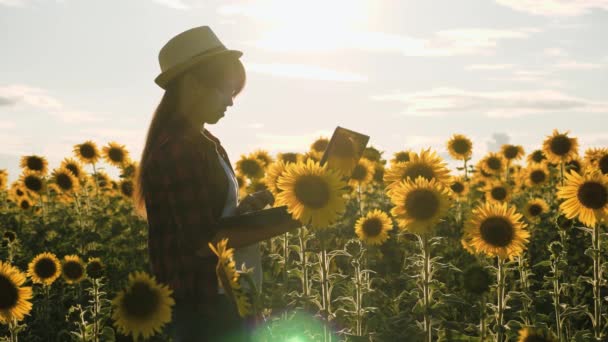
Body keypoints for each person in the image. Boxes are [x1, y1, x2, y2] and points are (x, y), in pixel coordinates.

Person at [133, 26, 298, 341]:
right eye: (226, 91)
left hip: (229, 296)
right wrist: (294, 216)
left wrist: (241, 211)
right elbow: (203, 241)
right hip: (204, 308)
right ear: (194, 84)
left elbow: (208, 222)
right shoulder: (178, 149)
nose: (231, 103)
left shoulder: (206, 142)